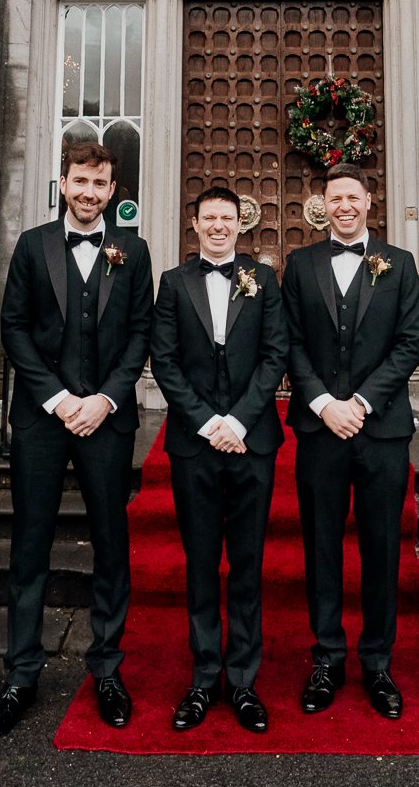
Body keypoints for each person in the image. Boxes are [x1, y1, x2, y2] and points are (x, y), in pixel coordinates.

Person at [0, 140, 155, 740]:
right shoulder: (33, 245)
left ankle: (107, 669)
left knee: (111, 545)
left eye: (100, 184)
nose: (89, 192)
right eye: (80, 181)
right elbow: (15, 328)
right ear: (63, 182)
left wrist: (104, 398)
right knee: (30, 547)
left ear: (113, 189)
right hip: (41, 419)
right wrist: (59, 399)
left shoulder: (133, 249)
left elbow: (140, 333)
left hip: (107, 420)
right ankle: (20, 676)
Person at [282, 161, 419, 721]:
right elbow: (288, 340)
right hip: (320, 429)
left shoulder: (402, 264)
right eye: (334, 198)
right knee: (320, 547)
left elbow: (410, 342)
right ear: (323, 206)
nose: (344, 206)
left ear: (370, 201)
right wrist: (323, 402)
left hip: (381, 427)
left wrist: (361, 403)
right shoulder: (300, 264)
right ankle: (326, 659)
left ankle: (378, 662)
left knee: (381, 548)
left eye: (353, 197)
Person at [148, 185, 289, 735]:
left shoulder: (265, 280)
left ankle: (245, 682)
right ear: (195, 223)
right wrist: (209, 423)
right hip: (193, 443)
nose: (218, 226)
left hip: (253, 443)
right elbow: (165, 359)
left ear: (239, 224)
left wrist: (240, 420)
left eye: (227, 219)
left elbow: (276, 353)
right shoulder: (173, 283)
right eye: (209, 218)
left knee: (248, 565)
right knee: (202, 564)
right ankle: (204, 679)